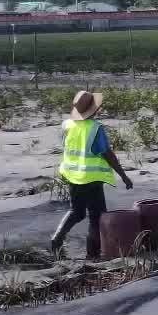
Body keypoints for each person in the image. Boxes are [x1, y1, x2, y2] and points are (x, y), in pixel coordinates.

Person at [50, 90, 132, 259]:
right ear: (94, 110)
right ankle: (92, 254)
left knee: (77, 211)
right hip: (91, 177)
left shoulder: (67, 125)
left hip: (72, 174)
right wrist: (123, 176)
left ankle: (57, 238)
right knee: (97, 216)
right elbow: (107, 154)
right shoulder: (95, 129)